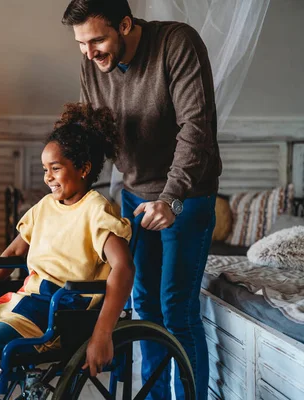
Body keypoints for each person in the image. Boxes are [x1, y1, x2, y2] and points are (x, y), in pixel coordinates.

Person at [0, 103, 135, 400]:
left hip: (51, 315)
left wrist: (102, 333)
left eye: (55, 168)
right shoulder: (45, 207)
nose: (48, 177)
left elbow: (124, 268)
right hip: (17, 303)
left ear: (83, 168)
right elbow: (9, 255)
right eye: (46, 169)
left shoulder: (96, 211)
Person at [61, 1, 222, 399]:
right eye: (81, 43)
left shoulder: (176, 44)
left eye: (97, 39)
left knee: (177, 310)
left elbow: (195, 128)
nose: (89, 52)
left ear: (126, 25)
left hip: (185, 196)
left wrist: (170, 199)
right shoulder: (92, 62)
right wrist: (69, 190)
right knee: (145, 309)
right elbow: (89, 134)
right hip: (134, 194)